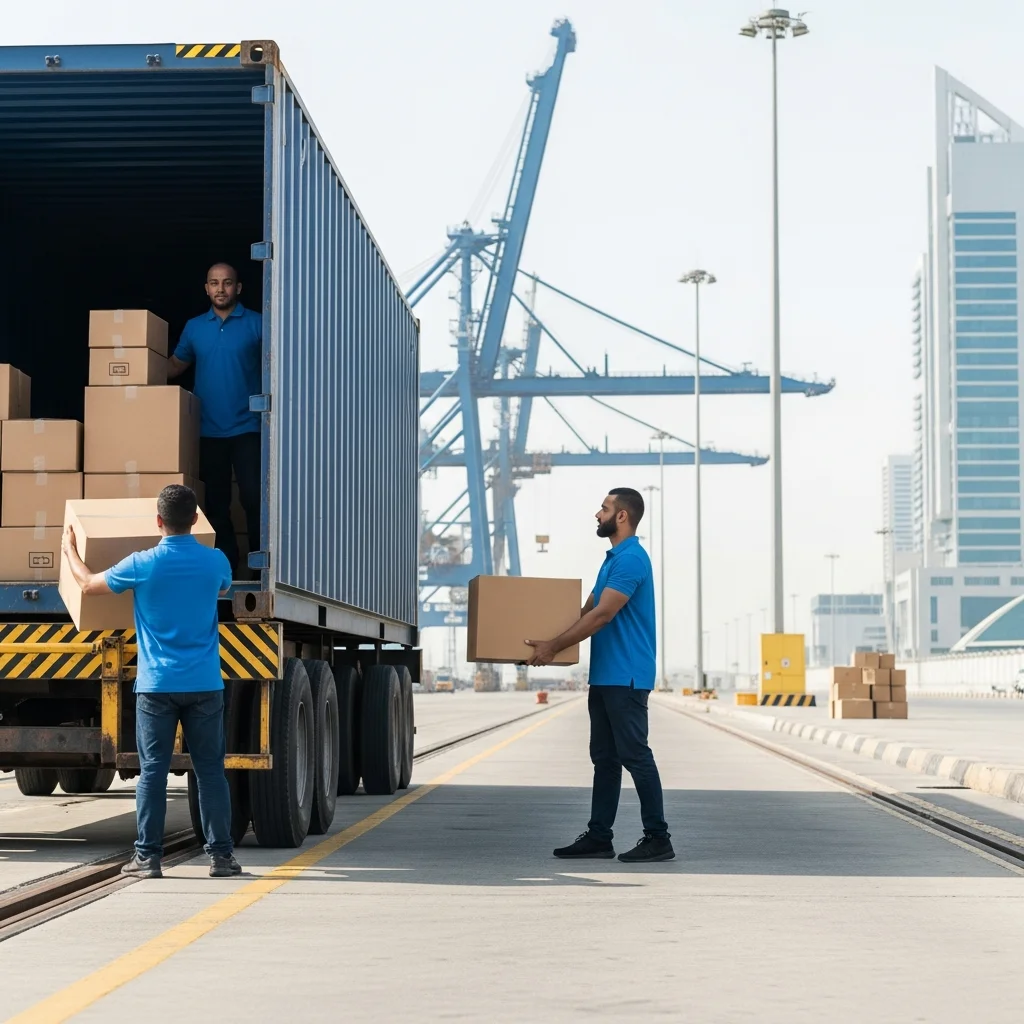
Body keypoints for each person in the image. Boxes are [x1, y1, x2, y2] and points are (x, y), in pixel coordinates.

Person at [61, 484, 242, 879]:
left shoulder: (142, 563)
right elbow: (224, 586)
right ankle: (221, 857)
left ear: (158, 521)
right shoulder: (215, 562)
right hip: (205, 685)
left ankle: (148, 857)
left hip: (157, 686)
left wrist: (70, 550)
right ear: (195, 520)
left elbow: (89, 585)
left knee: (154, 772)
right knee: (211, 771)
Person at [526, 487, 674, 864]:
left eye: (604, 508)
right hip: (606, 676)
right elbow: (584, 612)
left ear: (621, 516)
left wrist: (553, 647)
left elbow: (602, 615)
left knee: (635, 756)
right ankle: (599, 836)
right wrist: (543, 641)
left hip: (626, 676)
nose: (597, 514)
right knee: (605, 759)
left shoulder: (631, 560)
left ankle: (658, 838)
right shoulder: (611, 561)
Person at [168, 262, 261, 576]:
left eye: (227, 283)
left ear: (238, 288)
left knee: (254, 498)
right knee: (217, 506)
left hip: (249, 427)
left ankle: (261, 567)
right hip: (208, 431)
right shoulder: (194, 327)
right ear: (206, 288)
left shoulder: (258, 324)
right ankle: (229, 569)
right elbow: (174, 366)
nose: (220, 289)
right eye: (214, 283)